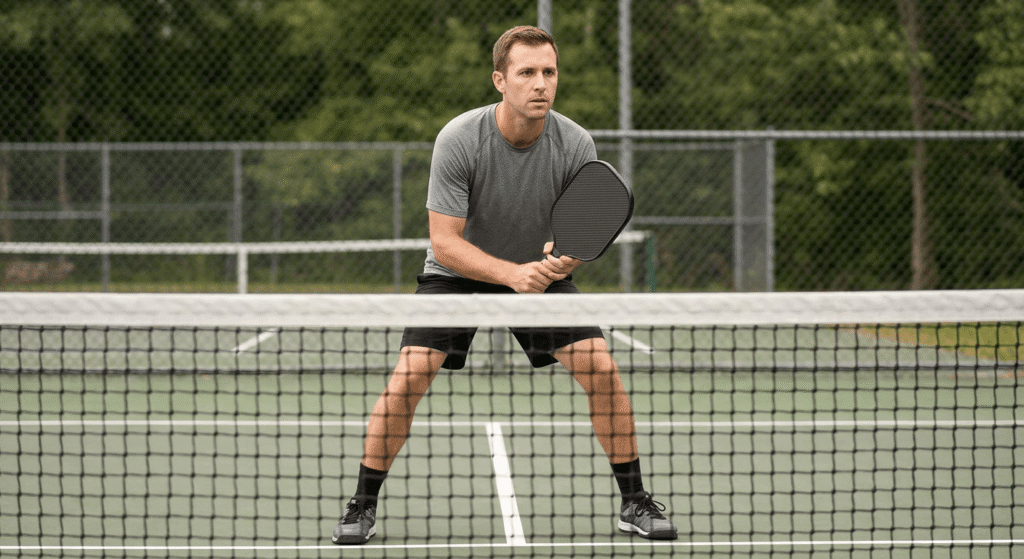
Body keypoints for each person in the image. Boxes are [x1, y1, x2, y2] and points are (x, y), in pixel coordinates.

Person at [332, 25, 677, 545]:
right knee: (409, 376)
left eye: (549, 72)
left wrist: (561, 264)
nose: (541, 84)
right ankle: (362, 503)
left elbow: (579, 237)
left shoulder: (575, 142)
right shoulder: (459, 138)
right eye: (527, 73)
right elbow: (444, 242)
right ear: (500, 80)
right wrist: (511, 275)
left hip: (533, 276)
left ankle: (634, 499)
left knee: (602, 367)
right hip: (457, 274)